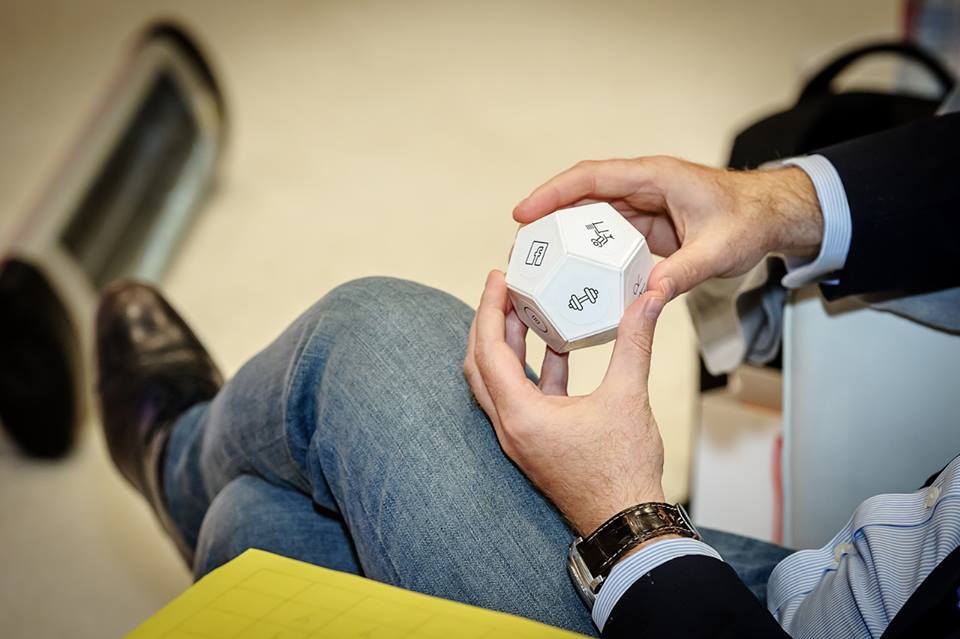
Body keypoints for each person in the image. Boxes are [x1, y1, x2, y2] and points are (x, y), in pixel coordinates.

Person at [97, 110, 960, 638]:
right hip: (838, 585)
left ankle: (176, 459)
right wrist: (783, 203)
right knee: (256, 529)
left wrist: (631, 521)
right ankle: (190, 480)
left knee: (363, 337)